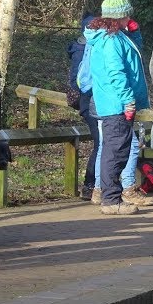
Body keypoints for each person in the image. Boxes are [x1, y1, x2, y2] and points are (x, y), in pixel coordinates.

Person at [80, 0, 150, 207]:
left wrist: (134, 33)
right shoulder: (110, 40)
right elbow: (116, 73)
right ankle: (110, 199)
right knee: (115, 152)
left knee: (117, 149)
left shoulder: (115, 36)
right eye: (126, 16)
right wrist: (128, 100)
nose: (129, 19)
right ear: (117, 17)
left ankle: (111, 196)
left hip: (114, 102)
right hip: (115, 103)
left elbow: (132, 53)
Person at [67, 12, 100, 200]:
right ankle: (90, 185)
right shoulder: (85, 48)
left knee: (102, 143)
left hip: (87, 101)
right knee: (101, 143)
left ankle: (94, 184)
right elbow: (81, 81)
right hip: (89, 100)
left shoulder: (80, 45)